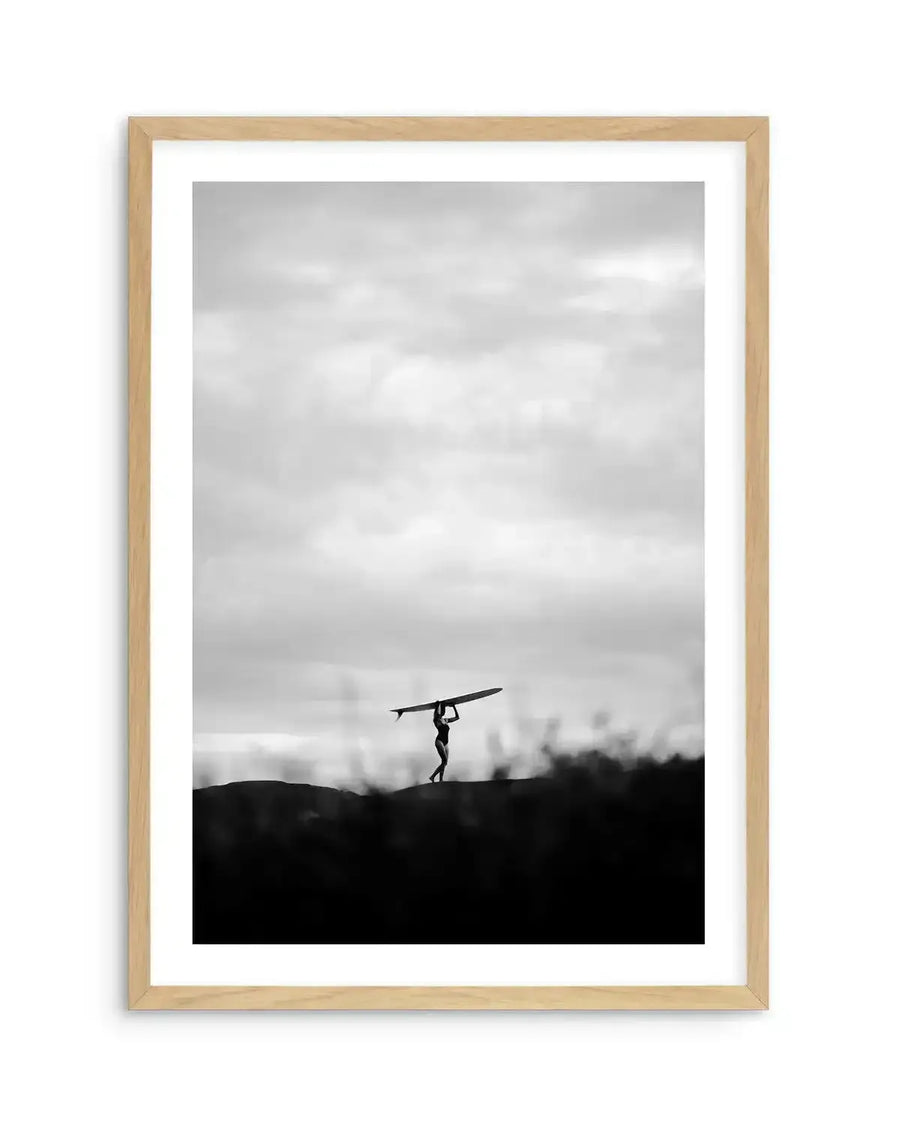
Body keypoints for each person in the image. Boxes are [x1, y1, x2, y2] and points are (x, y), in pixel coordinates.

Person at [429, 701, 459, 783]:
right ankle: (432, 776)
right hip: (439, 742)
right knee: (444, 761)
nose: (443, 712)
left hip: (446, 743)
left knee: (444, 763)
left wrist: (453, 706)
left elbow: (457, 717)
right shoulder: (436, 720)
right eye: (442, 710)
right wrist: (438, 705)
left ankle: (441, 780)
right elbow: (437, 714)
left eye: (444, 710)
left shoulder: (445, 720)